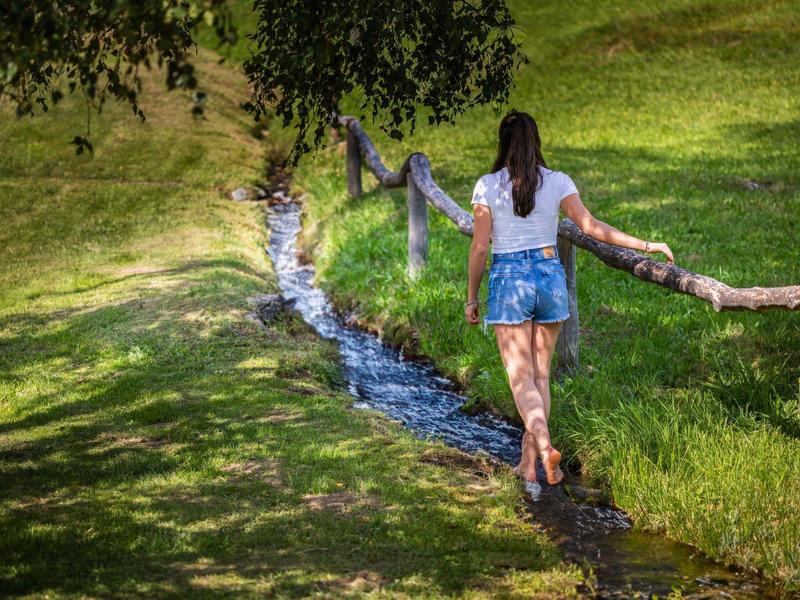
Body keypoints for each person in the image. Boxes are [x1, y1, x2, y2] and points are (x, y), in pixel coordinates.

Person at [465, 110, 674, 485]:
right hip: (549, 276)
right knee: (540, 376)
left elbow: (480, 248)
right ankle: (528, 467)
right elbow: (591, 226)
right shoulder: (558, 181)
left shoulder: (488, 186)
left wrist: (471, 297)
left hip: (510, 279)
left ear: (503, 144)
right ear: (536, 142)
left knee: (520, 378)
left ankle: (545, 449)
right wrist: (646, 244)